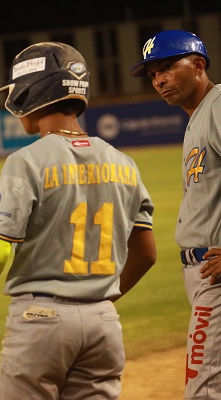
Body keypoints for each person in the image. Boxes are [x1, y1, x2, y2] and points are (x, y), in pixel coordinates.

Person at [0, 42, 157, 399]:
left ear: (31, 92)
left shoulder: (27, 161)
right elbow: (146, 254)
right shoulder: (124, 163)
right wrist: (99, 300)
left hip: (41, 322)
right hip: (103, 323)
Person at [131, 29, 221, 399]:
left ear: (198, 65)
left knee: (203, 388)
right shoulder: (200, 115)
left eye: (168, 67)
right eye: (153, 74)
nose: (159, 79)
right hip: (203, 274)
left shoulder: (217, 107)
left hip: (215, 277)